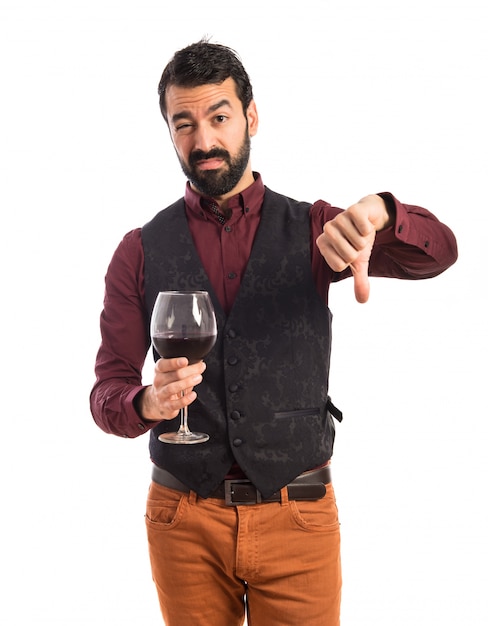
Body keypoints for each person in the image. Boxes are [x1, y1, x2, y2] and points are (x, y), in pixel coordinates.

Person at [90, 39, 458, 626]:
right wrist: (144, 401)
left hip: (298, 515)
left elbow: (439, 253)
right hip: (181, 521)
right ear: (169, 131)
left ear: (251, 117)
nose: (203, 141)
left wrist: (383, 212)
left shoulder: (319, 228)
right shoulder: (139, 249)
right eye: (183, 124)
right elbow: (106, 390)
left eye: (219, 117)